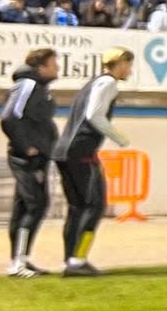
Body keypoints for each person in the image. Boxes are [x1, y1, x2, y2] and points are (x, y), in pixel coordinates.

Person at [51, 47, 134, 277]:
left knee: (77, 208)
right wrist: (120, 139)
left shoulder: (93, 83)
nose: (130, 70)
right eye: (128, 65)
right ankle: (78, 260)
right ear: (120, 64)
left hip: (65, 151)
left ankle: (70, 259)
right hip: (81, 151)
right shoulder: (108, 84)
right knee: (94, 205)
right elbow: (94, 115)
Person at [0, 49, 60, 278]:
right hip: (27, 158)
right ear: (40, 67)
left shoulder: (39, 88)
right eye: (53, 64)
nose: (57, 69)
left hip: (37, 156)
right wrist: (27, 147)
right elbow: (9, 117)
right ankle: (18, 262)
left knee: (26, 206)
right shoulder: (27, 85)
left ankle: (21, 259)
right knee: (35, 204)